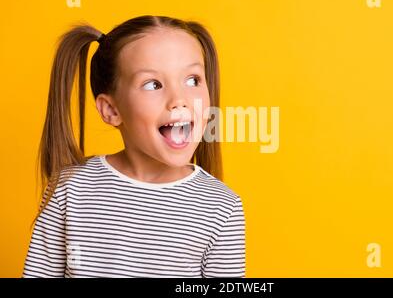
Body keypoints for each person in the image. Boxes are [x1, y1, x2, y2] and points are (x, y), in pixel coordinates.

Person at [22, 15, 245, 278]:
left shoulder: (221, 207)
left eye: (193, 80)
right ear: (111, 110)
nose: (179, 100)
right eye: (153, 84)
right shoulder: (71, 189)